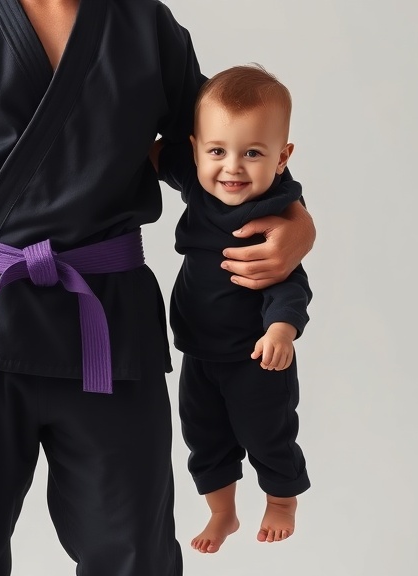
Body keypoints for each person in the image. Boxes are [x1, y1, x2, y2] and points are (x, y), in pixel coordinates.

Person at [0, 1, 316, 574]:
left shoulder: (144, 25)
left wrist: (296, 219)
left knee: (135, 554)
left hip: (108, 331)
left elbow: (223, 140)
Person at [151, 65, 312, 555]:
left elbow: (290, 284)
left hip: (255, 357)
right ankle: (222, 511)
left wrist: (281, 331)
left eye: (253, 153)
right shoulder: (199, 180)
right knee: (203, 435)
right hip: (199, 351)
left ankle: (281, 500)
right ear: (197, 148)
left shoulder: (273, 214)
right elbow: (155, 154)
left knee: (267, 434)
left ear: (282, 158)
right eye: (218, 151)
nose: (232, 168)